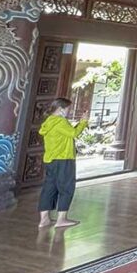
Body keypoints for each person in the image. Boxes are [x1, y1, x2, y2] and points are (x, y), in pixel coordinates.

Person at [37, 97, 88, 229]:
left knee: (49, 189)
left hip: (50, 159)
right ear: (60, 109)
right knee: (66, 188)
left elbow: (67, 133)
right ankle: (61, 219)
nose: (68, 112)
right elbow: (74, 133)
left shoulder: (49, 122)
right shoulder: (60, 122)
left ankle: (44, 219)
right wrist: (83, 122)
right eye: (67, 109)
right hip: (64, 159)